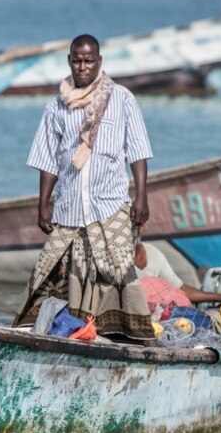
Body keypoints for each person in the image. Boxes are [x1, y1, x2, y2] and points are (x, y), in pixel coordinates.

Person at [12, 34, 155, 341]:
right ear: (69, 61)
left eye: (89, 60)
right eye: (77, 60)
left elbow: (138, 152)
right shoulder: (57, 107)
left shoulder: (122, 99)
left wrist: (141, 197)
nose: (83, 66)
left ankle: (126, 337)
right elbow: (49, 159)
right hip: (70, 208)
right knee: (49, 269)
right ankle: (60, 332)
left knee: (116, 270)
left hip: (110, 204)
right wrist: (43, 204)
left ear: (99, 62)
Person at [134, 242, 221, 309]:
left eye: (142, 223)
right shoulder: (118, 259)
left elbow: (181, 288)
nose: (140, 227)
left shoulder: (153, 253)